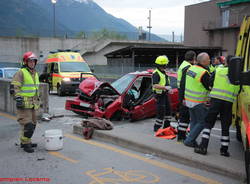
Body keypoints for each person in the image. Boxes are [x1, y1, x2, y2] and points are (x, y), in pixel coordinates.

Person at [194, 55, 240, 157]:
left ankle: (203, 146)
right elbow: (239, 90)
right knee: (225, 125)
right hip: (228, 102)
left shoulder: (218, 70)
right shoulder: (238, 75)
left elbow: (210, 84)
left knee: (208, 123)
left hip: (215, 101)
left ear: (226, 62)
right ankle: (224, 150)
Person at [11, 51, 40, 153]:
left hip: (33, 103)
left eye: (33, 61)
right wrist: (18, 98)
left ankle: (26, 141)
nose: (32, 63)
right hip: (24, 103)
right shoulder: (21, 72)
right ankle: (25, 143)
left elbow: (35, 89)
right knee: (27, 125)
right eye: (30, 61)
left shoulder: (35, 73)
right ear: (25, 62)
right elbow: (14, 87)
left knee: (33, 123)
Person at [183, 52, 211, 147]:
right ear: (203, 61)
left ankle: (190, 139)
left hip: (189, 99)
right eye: (208, 59)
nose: (210, 60)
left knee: (194, 121)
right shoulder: (203, 73)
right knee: (202, 122)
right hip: (198, 101)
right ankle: (189, 140)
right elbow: (209, 87)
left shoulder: (190, 68)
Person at [176, 50, 196, 141]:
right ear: (193, 58)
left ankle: (181, 134)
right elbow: (185, 82)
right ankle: (181, 136)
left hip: (181, 93)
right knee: (185, 116)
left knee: (183, 116)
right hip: (185, 94)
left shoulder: (183, 65)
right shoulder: (188, 68)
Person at [152, 55, 172, 132]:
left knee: (168, 110)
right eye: (166, 64)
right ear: (163, 64)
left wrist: (168, 89)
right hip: (159, 95)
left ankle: (167, 126)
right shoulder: (156, 73)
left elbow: (165, 82)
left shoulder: (163, 72)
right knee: (161, 112)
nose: (166, 65)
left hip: (165, 94)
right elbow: (155, 85)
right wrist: (165, 88)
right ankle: (157, 128)